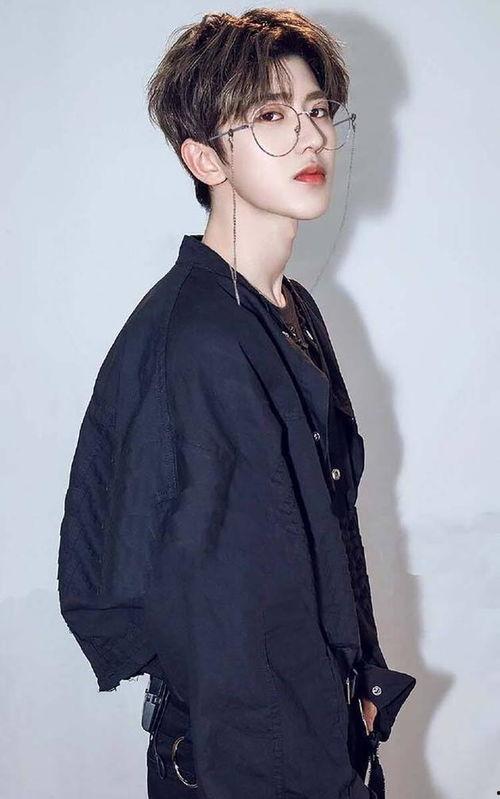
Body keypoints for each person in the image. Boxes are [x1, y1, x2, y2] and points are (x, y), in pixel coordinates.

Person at [57, 9, 416, 799]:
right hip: (257, 767)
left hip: (315, 739)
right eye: (271, 116)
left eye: (318, 110)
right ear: (203, 156)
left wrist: (359, 690)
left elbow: (319, 539)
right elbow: (228, 617)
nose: (311, 137)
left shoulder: (286, 307)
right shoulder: (201, 340)